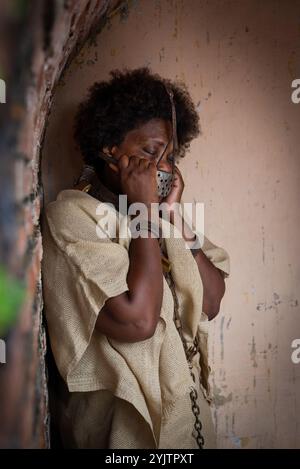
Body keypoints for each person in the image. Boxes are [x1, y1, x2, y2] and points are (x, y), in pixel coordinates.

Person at [42, 67, 230, 449]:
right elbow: (138, 320)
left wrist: (173, 217)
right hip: (125, 435)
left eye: (169, 157)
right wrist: (145, 210)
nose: (162, 168)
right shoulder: (72, 215)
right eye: (150, 152)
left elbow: (210, 301)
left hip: (187, 423)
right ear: (111, 149)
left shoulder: (160, 216)